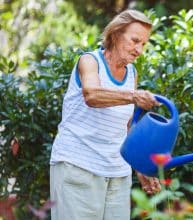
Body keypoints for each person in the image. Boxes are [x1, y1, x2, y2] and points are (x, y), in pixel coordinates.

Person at [49, 9, 161, 219]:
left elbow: (126, 127)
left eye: (144, 44)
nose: (139, 50)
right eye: (135, 41)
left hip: (117, 173)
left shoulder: (132, 74)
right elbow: (92, 95)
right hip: (78, 167)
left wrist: (139, 167)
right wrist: (133, 97)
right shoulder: (90, 61)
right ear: (116, 34)